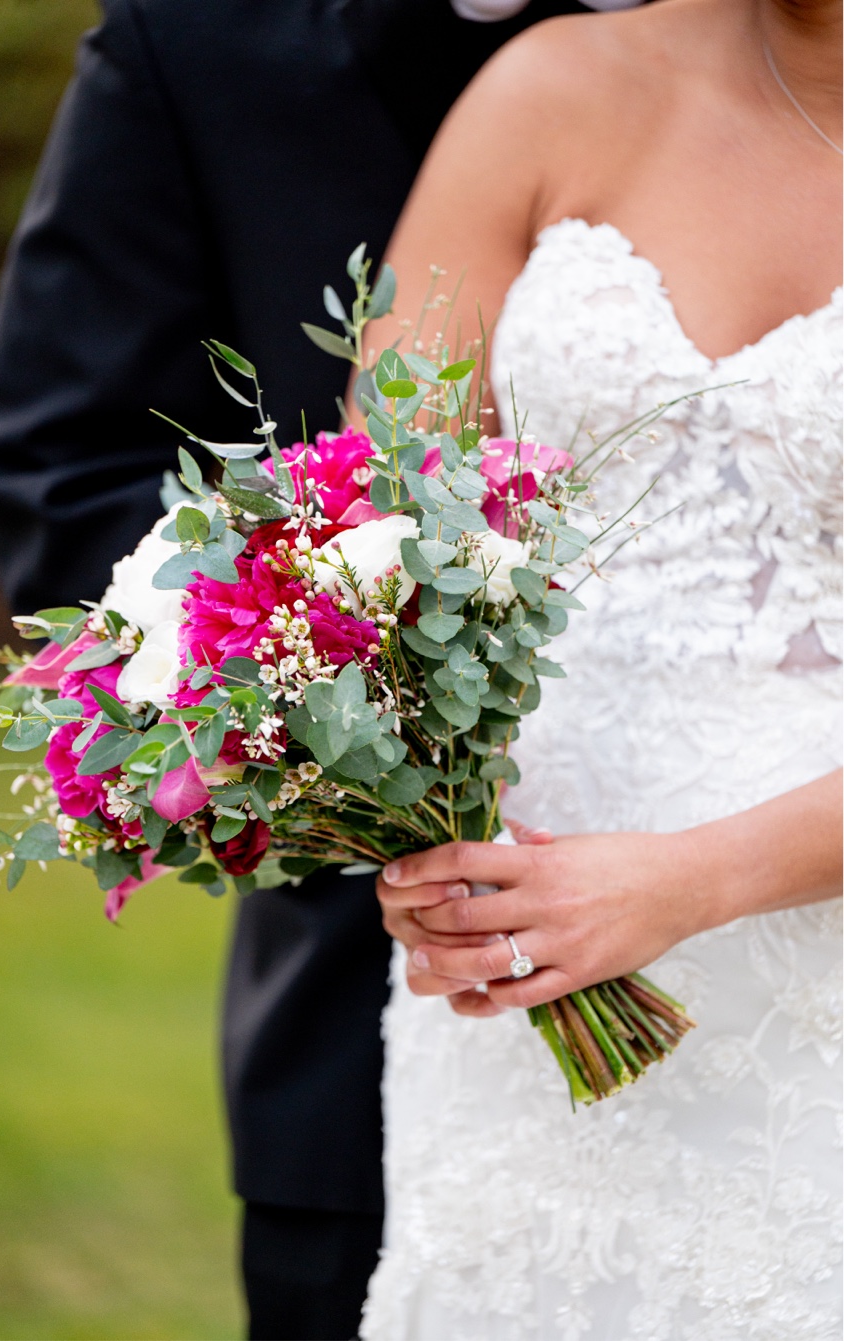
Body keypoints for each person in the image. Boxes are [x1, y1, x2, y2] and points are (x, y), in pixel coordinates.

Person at [0, 0, 598, 1333]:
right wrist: (307, 704)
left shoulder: (770, 43)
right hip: (362, 992)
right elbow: (61, 461)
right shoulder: (191, 40)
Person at [356, 0, 842, 1334]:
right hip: (515, 949)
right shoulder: (552, 88)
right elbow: (370, 527)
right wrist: (412, 809)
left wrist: (690, 880)